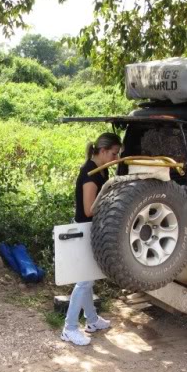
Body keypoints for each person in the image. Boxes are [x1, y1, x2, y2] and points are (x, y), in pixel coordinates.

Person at [62, 132, 122, 346]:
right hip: (84, 229)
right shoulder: (90, 173)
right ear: (103, 151)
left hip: (90, 229)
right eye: (114, 154)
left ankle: (92, 320)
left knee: (88, 278)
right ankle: (69, 328)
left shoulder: (101, 171)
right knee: (84, 281)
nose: (116, 158)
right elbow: (88, 210)